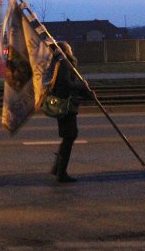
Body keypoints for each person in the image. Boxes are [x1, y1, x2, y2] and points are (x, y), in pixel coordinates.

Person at [49, 41, 91, 183]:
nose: (72, 50)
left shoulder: (60, 64)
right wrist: (82, 85)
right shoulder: (65, 64)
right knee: (70, 136)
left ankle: (57, 168)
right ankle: (61, 173)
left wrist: (85, 91)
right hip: (66, 107)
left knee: (68, 137)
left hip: (64, 106)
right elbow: (67, 84)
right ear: (66, 51)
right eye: (70, 48)